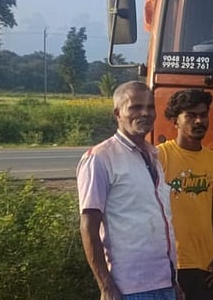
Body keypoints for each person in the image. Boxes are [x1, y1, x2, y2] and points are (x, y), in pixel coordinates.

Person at [77, 81, 180, 300]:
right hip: (128, 289)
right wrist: (105, 286)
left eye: (150, 107)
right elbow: (88, 226)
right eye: (134, 107)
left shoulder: (154, 156)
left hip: (165, 283)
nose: (145, 113)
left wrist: (174, 282)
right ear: (117, 113)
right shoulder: (100, 158)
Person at [158, 89, 213, 300]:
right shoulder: (160, 156)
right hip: (168, 261)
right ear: (175, 120)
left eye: (203, 115)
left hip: (203, 261)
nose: (199, 121)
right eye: (190, 115)